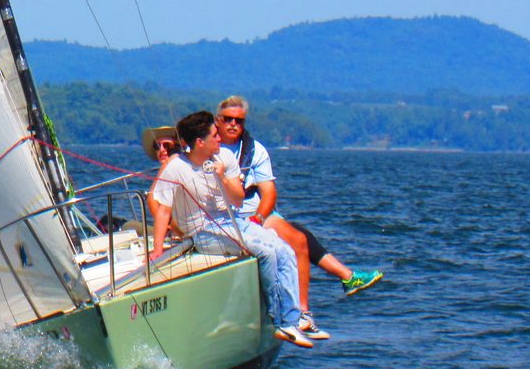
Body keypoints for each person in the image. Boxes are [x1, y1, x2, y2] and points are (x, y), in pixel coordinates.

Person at [214, 97, 383, 337]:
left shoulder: (254, 150)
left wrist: (260, 217)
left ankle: (303, 313)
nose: (233, 124)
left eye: (238, 121)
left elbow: (269, 192)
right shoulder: (208, 146)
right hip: (223, 213)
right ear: (217, 121)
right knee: (303, 237)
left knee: (300, 240)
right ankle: (347, 276)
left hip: (255, 211)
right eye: (227, 119)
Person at [149, 110, 312, 348]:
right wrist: (157, 249)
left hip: (232, 220)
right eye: (214, 135)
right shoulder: (176, 167)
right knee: (265, 252)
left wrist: (222, 178)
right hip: (202, 232)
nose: (220, 139)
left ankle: (292, 319)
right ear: (199, 142)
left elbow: (237, 200)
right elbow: (163, 210)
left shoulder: (223, 157)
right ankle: (278, 321)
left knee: (283, 249)